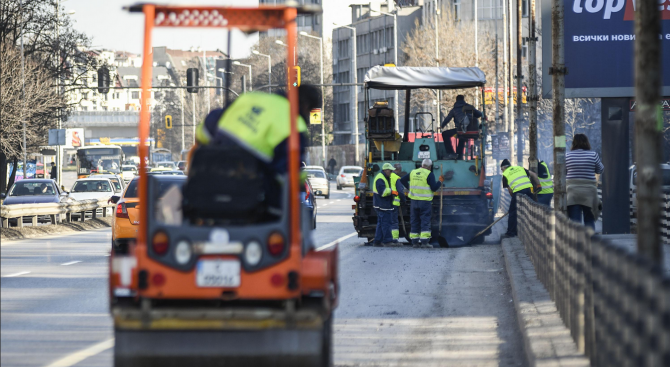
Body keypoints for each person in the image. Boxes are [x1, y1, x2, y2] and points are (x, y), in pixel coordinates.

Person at [194, 85, 322, 211]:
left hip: (210, 174)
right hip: (251, 190)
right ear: (306, 106)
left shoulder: (250, 98)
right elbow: (288, 171)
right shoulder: (295, 123)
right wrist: (301, 180)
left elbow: (205, 129)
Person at [399, 159, 444, 248]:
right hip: (425, 202)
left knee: (414, 221)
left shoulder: (413, 172)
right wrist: (440, 181)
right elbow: (434, 188)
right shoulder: (429, 174)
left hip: (414, 201)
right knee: (425, 221)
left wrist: (409, 188)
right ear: (430, 167)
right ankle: (424, 242)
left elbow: (402, 180)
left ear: (422, 164)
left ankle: (415, 242)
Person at [566, 134, 603, 230]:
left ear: (573, 143)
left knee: (575, 222)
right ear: (587, 142)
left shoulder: (567, 155)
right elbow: (600, 169)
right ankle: (590, 243)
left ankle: (576, 244)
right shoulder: (593, 155)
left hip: (572, 192)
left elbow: (563, 172)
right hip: (589, 192)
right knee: (589, 220)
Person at [501, 159, 538, 238]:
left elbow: (510, 191)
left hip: (518, 192)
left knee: (513, 212)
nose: (502, 171)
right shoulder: (520, 168)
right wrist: (538, 186)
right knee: (530, 210)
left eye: (502, 169)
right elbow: (534, 175)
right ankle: (533, 230)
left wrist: (514, 201)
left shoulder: (505, 174)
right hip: (529, 190)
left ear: (504, 167)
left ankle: (511, 232)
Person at [440, 95, 483, 160]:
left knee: (445, 134)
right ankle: (459, 155)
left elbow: (448, 119)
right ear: (463, 99)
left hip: (460, 130)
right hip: (473, 131)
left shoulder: (454, 109)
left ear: (456, 100)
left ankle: (451, 153)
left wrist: (442, 126)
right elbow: (480, 114)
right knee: (462, 137)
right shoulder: (470, 108)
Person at [372, 163, 396, 247]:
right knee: (386, 223)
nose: (391, 172)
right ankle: (387, 241)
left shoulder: (383, 177)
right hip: (382, 205)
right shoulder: (380, 179)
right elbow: (382, 192)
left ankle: (377, 241)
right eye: (390, 171)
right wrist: (391, 191)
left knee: (381, 223)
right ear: (386, 170)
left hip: (382, 204)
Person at [389, 163, 406, 243]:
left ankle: (386, 237)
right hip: (394, 203)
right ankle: (394, 239)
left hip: (385, 203)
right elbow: (400, 192)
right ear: (398, 170)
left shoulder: (387, 177)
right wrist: (403, 200)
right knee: (394, 221)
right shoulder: (397, 178)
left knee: (386, 221)